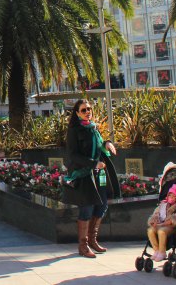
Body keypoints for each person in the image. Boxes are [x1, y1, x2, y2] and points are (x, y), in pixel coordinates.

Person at [65, 99, 119, 258]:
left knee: (102, 205)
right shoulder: (74, 130)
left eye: (89, 109)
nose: (87, 112)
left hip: (98, 174)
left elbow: (100, 143)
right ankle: (83, 245)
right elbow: (72, 155)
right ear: (77, 113)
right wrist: (93, 163)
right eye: (83, 110)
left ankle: (92, 240)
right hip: (83, 174)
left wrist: (107, 144)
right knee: (87, 208)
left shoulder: (93, 128)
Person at [147, 183, 176, 261]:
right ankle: (156, 250)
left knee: (162, 231)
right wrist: (154, 220)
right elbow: (156, 213)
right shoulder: (163, 205)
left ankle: (162, 252)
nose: (171, 198)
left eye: (174, 197)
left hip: (172, 226)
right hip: (160, 224)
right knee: (150, 230)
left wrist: (160, 224)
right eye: (170, 196)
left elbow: (174, 220)